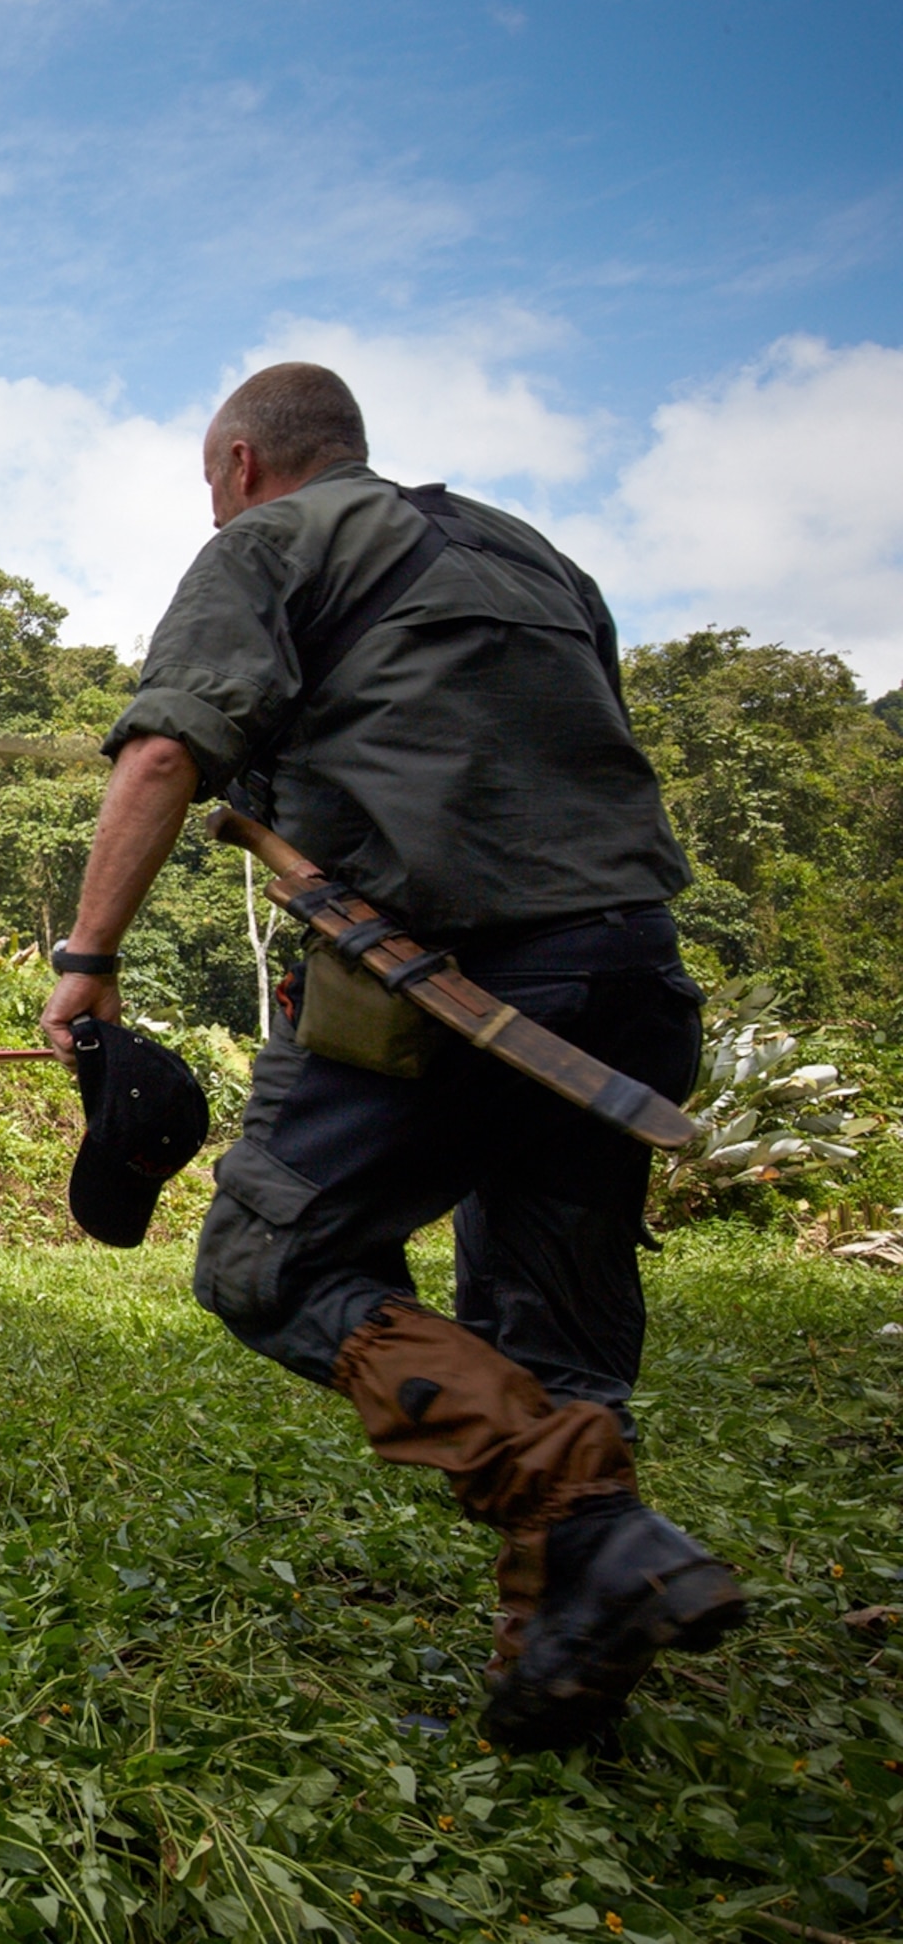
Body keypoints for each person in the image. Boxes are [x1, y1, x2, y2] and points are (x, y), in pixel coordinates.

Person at [42, 361, 744, 1753]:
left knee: (272, 1261)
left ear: (240, 464)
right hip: (623, 982)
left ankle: (581, 1517)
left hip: (442, 986)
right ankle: (566, 1679)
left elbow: (166, 753)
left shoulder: (271, 544)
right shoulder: (537, 556)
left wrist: (89, 958)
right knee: (557, 1328)